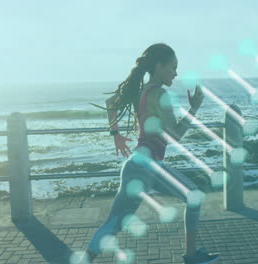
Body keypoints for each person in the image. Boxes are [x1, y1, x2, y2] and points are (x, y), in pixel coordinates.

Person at [83, 43, 220, 264]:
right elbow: (174, 137)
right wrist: (193, 109)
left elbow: (111, 103)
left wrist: (115, 135)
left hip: (136, 164)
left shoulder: (141, 91)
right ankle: (192, 256)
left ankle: (86, 259)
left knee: (114, 223)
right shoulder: (160, 94)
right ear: (159, 65)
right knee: (194, 196)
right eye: (172, 68)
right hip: (149, 165)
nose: (175, 73)